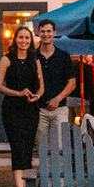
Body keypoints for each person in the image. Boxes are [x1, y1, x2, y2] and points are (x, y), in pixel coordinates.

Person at [0, 24, 44, 187]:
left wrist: (37, 96)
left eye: (27, 38)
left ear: (31, 40)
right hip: (12, 110)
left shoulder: (35, 60)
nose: (24, 41)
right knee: (17, 149)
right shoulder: (6, 59)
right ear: (15, 40)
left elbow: (41, 86)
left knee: (27, 149)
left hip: (31, 110)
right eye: (21, 37)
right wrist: (19, 93)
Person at [34, 19, 79, 150]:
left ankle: (57, 171)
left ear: (54, 33)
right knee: (41, 148)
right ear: (38, 33)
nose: (45, 34)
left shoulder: (63, 56)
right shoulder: (33, 56)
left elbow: (72, 82)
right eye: (42, 31)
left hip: (59, 109)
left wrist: (58, 99)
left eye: (48, 31)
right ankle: (44, 172)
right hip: (39, 110)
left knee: (59, 147)